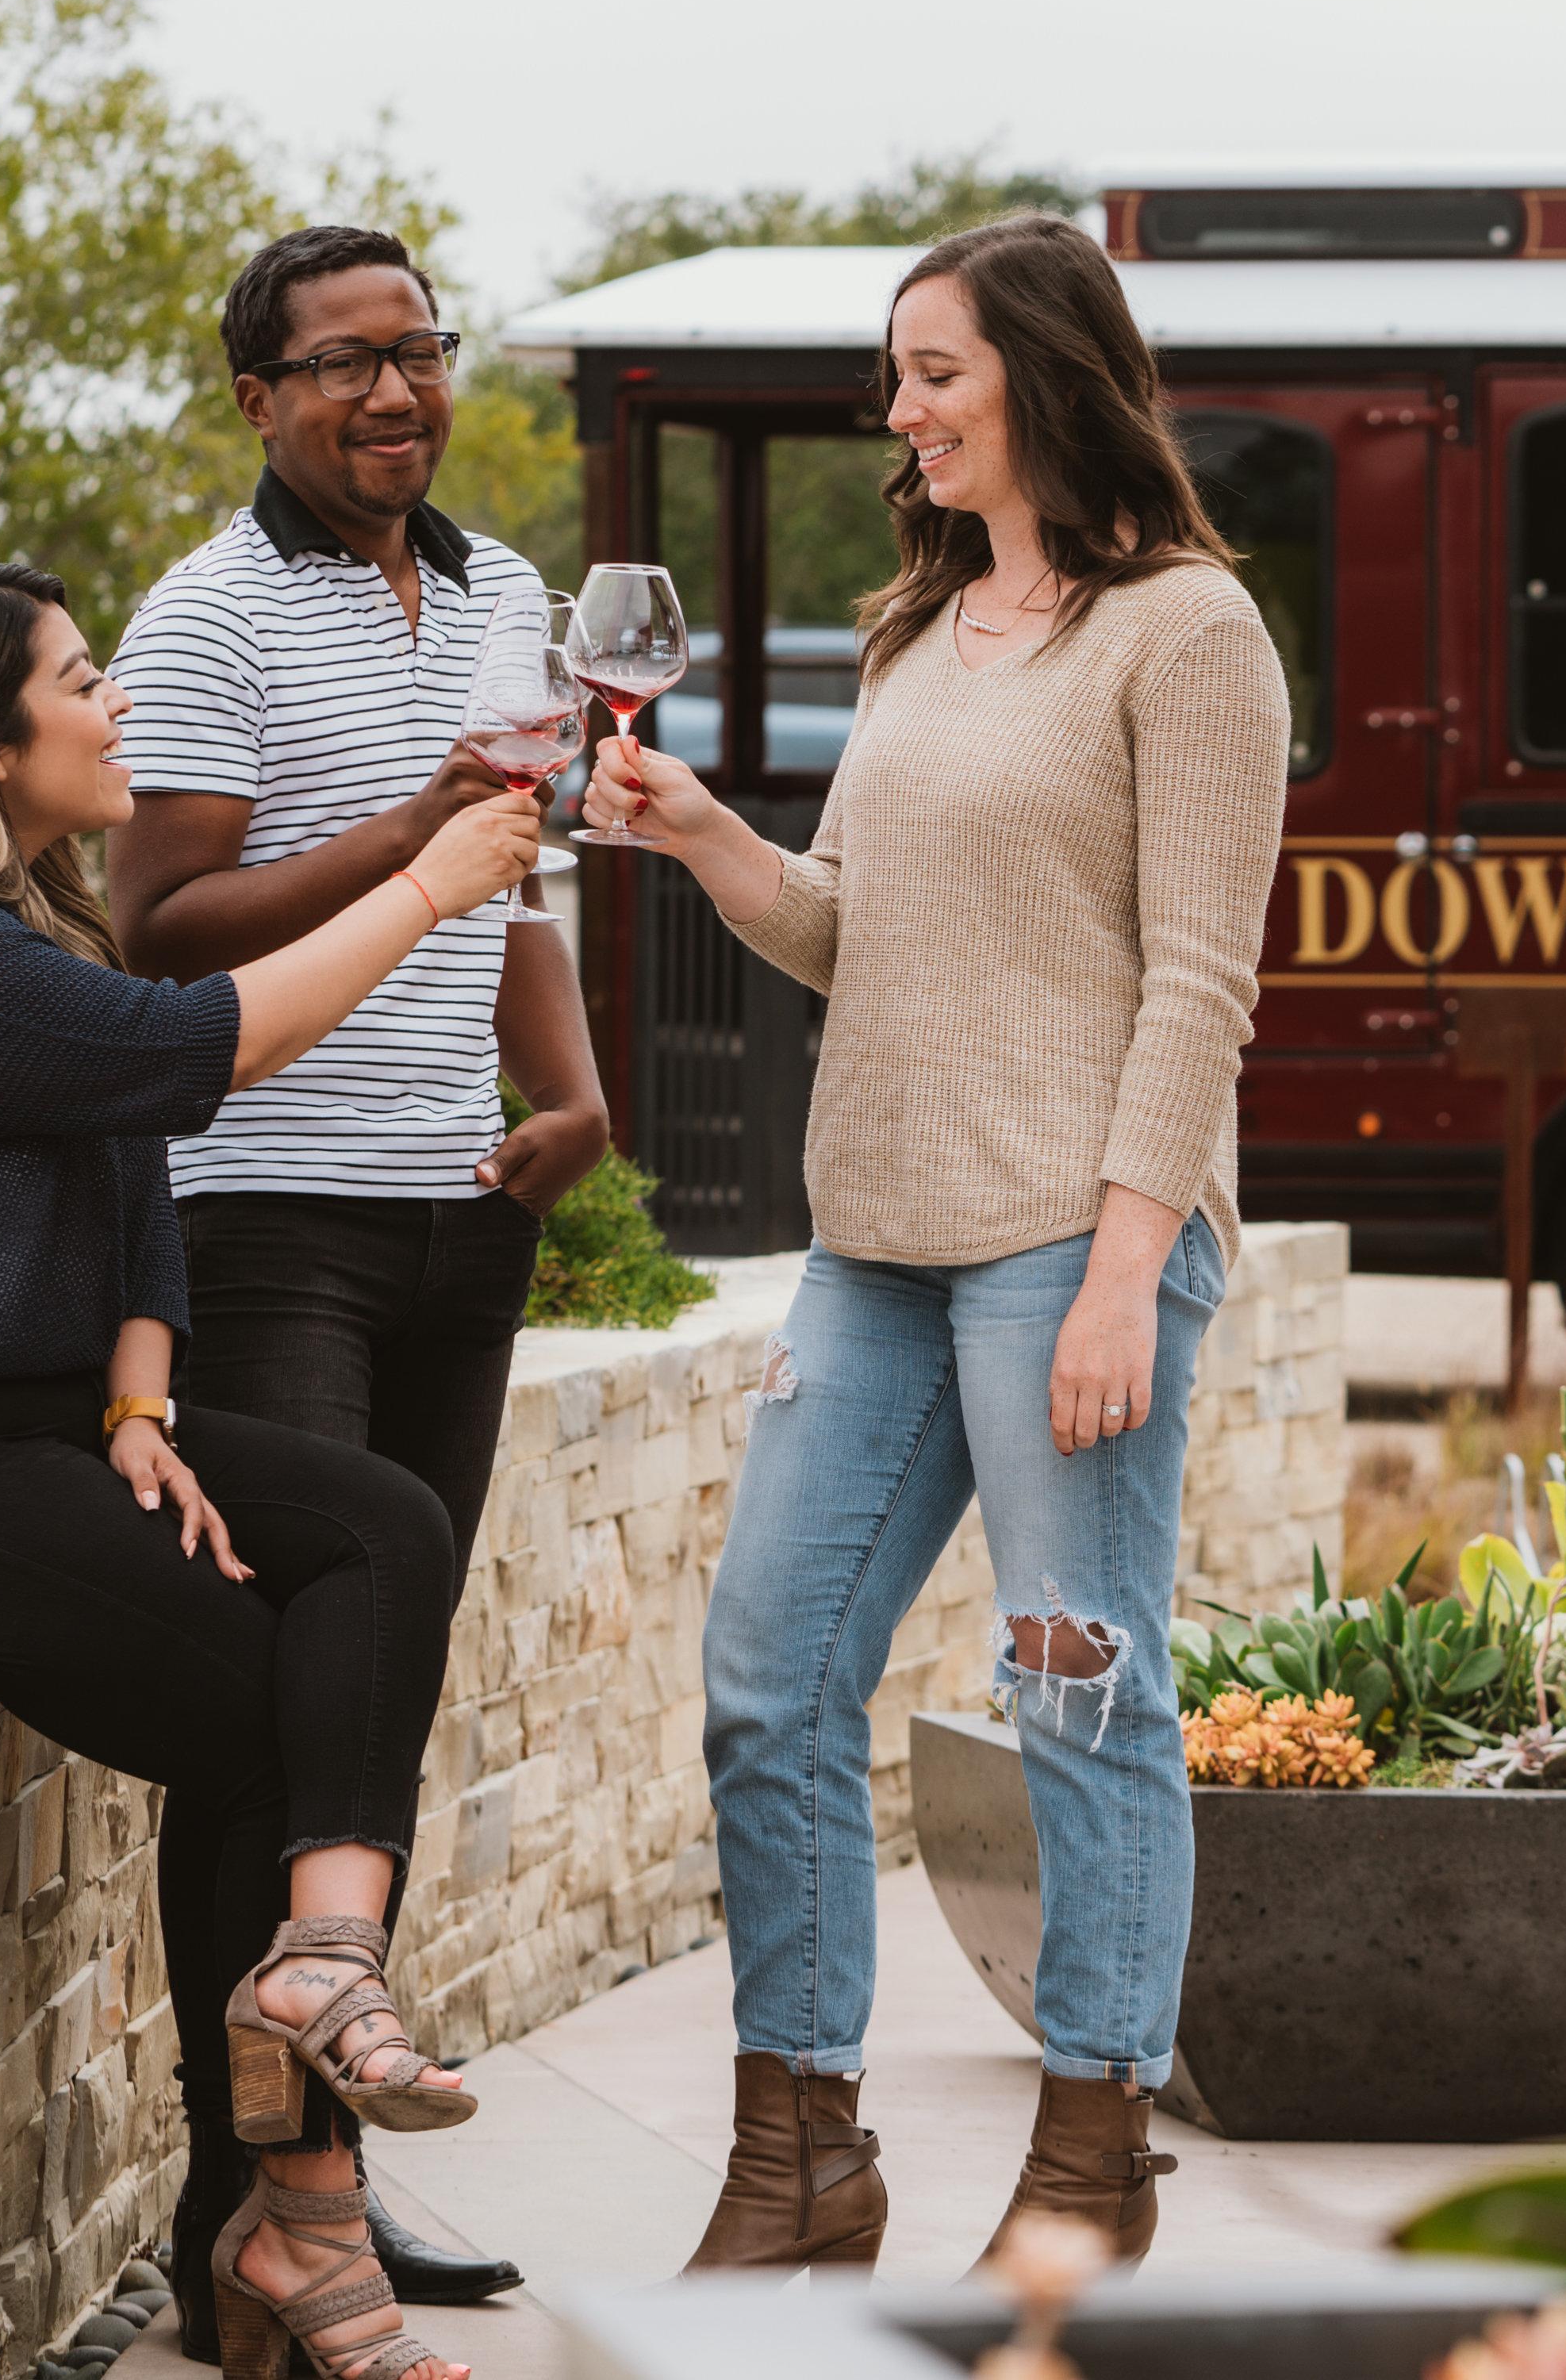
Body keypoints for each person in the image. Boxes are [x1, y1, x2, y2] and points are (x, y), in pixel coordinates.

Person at [0, 563, 548, 2380]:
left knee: (376, 1530)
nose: (119, 708)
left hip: (15, 1435)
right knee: (270, 1699)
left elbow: (134, 1203)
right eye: (82, 683)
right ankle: (282, 2214)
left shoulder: (17, 943)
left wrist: (143, 1412)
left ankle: (318, 1986)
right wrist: (432, 877)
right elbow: (200, 1051)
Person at [584, 213, 1289, 2272]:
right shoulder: (913, 639)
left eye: (937, 373)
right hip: (872, 1245)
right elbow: (845, 931)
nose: (900, 414)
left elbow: (1198, 978)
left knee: (1079, 1687)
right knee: (763, 1682)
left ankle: (1095, 2162)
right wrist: (705, 833)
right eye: (897, 377)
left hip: (1073, 1242)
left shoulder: (1189, 639)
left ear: (1049, 378)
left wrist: (1122, 1262)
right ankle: (802, 2154)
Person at [108, 225, 608, 2320]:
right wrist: (419, 823)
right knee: (268, 1700)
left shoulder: (508, 599)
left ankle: (313, 2187)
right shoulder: (208, 615)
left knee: (372, 1696)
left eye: (421, 352)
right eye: (346, 364)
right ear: (257, 399)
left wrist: (570, 1099)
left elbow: (530, 877)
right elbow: (162, 923)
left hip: (455, 1219)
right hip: (267, 1215)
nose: (396, 393)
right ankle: (253, 2191)